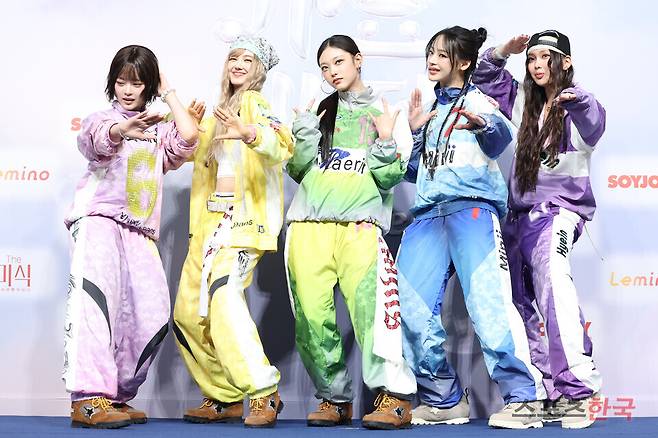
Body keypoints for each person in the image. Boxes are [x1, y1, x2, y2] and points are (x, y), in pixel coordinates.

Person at [396, 26, 547, 429]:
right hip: (427, 216)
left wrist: (481, 125)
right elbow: (413, 172)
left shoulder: (480, 99)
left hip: (472, 212)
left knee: (489, 306)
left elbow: (498, 141)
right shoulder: (428, 108)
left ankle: (524, 398)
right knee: (410, 310)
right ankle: (442, 398)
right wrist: (415, 134)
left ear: (463, 63)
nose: (432, 60)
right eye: (430, 52)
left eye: (442, 54)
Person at [472, 30, 604, 429]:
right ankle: (545, 394)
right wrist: (504, 51)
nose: (537, 65)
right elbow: (484, 76)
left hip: (558, 213)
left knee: (553, 283)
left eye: (546, 57)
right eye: (532, 59)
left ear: (565, 62)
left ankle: (578, 391)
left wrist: (576, 99)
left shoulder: (578, 106)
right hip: (518, 217)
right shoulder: (526, 105)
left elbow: (595, 123)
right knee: (519, 304)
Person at [285, 34, 417, 430]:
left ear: (358, 60)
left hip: (361, 227)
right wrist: (304, 132)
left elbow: (391, 177)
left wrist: (386, 139)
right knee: (311, 318)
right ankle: (334, 398)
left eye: (338, 62)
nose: (332, 72)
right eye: (324, 67)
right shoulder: (319, 112)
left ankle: (394, 397)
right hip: (308, 227)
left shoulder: (386, 111)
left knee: (373, 315)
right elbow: (299, 171)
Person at [63, 45, 198, 429]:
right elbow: (94, 141)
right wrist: (121, 130)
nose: (127, 90)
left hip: (139, 230)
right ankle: (88, 398)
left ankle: (116, 395)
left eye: (137, 83)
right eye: (121, 81)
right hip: (98, 220)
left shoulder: (158, 127)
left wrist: (168, 93)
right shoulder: (101, 119)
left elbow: (189, 137)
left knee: (151, 315)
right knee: (95, 305)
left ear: (149, 85)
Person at [173, 36, 294, 428]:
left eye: (247, 59)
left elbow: (282, 144)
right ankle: (223, 395)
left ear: (259, 70)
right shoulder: (217, 112)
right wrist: (186, 126)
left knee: (223, 300)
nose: (238, 65)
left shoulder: (256, 104)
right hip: (207, 228)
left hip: (241, 226)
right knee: (187, 314)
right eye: (233, 58)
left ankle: (263, 391)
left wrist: (251, 133)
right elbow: (189, 155)